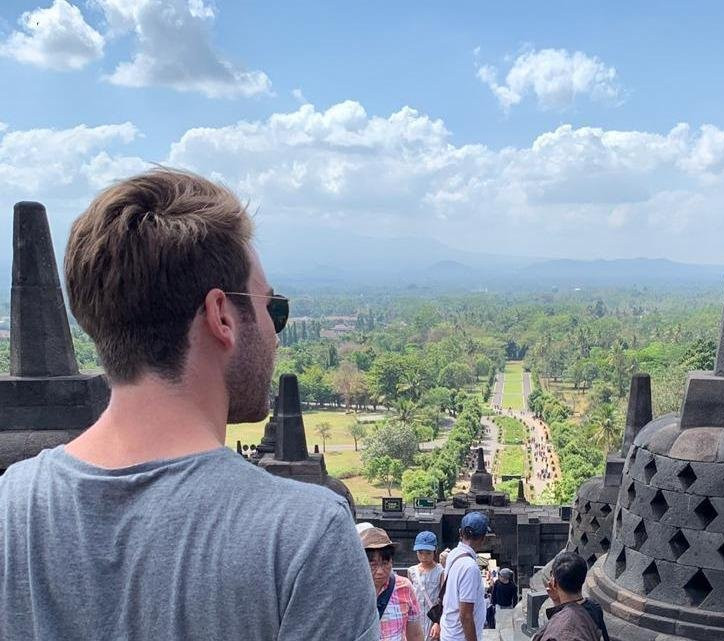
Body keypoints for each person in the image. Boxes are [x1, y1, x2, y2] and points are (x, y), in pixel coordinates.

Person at [0, 169, 379, 640]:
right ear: (222, 315)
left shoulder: (11, 507)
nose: (274, 334)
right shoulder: (303, 537)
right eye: (271, 308)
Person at [362, 527, 424, 641]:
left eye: (385, 563)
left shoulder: (404, 587)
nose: (380, 571)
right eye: (373, 565)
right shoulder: (351, 591)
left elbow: (415, 634)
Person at [440, 512, 490, 641]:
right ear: (483, 538)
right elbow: (466, 616)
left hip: (449, 631)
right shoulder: (470, 567)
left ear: (460, 533)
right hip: (460, 637)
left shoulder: (453, 554)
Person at [533, 553, 605, 641]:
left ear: (554, 583)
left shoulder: (558, 632)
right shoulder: (595, 607)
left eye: (552, 574)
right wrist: (557, 601)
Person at [408, 531, 444, 640]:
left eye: (428, 553)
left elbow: (443, 599)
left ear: (435, 551)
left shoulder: (441, 572)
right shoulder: (411, 571)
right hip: (416, 619)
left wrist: (438, 623)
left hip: (432, 619)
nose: (424, 556)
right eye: (420, 552)